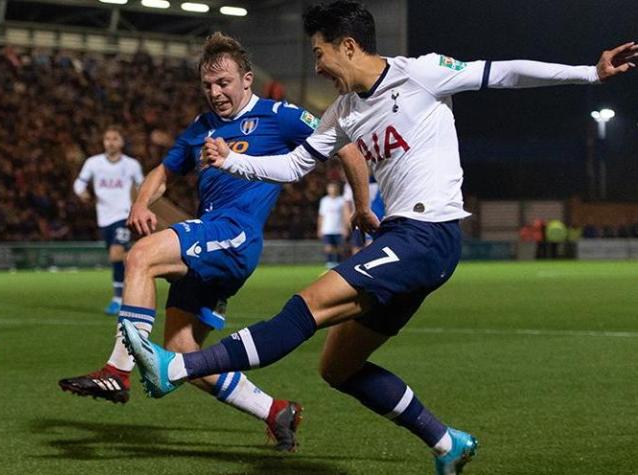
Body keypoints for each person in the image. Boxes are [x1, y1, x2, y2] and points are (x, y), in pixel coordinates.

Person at [121, 2, 636, 473]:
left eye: (320, 54)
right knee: (338, 366)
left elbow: (504, 73)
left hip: (428, 233)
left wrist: (590, 72)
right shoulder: (343, 112)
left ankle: (178, 366)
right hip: (403, 238)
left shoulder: (422, 73)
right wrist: (236, 160)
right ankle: (446, 444)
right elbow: (295, 164)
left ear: (348, 46)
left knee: (309, 303)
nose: (317, 66)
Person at [60, 32, 336, 451]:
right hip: (213, 236)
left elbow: (340, 142)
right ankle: (275, 411)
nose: (215, 92)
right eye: (208, 85)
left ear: (247, 79)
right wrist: (140, 202)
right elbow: (163, 172)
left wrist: (367, 206)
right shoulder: (200, 128)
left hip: (234, 234)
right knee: (182, 353)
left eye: (223, 82)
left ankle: (117, 372)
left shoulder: (279, 116)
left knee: (142, 256)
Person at [73, 126, 144, 315]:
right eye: (107, 139)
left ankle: (140, 256)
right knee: (117, 261)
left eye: (114, 138)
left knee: (115, 255)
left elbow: (142, 187)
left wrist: (139, 206)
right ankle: (119, 298)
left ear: (122, 142)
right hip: (104, 217)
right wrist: (82, 193)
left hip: (124, 215)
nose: (110, 142)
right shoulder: (93, 163)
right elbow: (79, 183)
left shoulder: (132, 165)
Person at [342, 174, 384, 254]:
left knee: (372, 245)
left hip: (376, 217)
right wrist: (347, 220)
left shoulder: (377, 183)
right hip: (358, 218)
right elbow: (347, 204)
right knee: (357, 246)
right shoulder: (351, 185)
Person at [316, 181, 346, 268]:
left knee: (339, 247)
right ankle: (329, 262)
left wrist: (345, 228)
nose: (332, 190)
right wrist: (319, 228)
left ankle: (339, 262)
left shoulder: (341, 200)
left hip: (338, 228)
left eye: (333, 188)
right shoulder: (324, 201)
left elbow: (344, 215)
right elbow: (321, 215)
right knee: (328, 247)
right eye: (330, 188)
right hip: (327, 228)